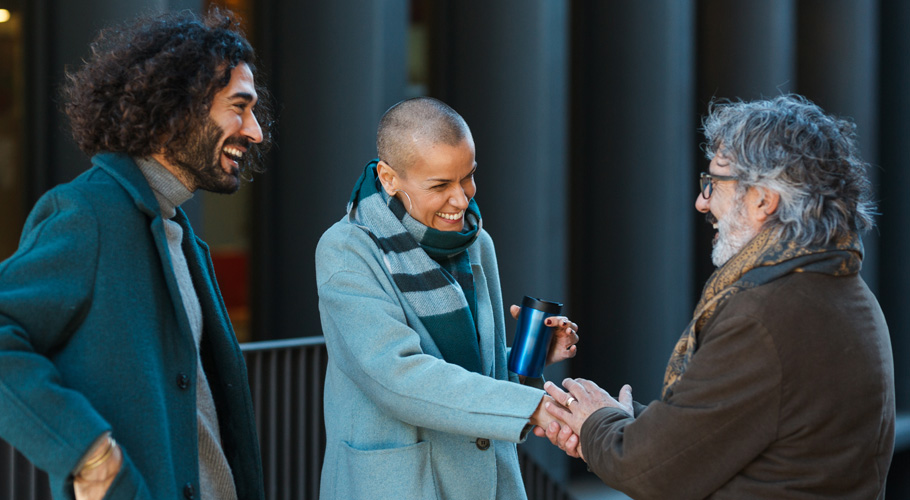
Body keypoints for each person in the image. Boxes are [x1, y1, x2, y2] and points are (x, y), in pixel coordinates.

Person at [539, 95, 895, 499]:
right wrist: (614, 427)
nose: (701, 201)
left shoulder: (765, 316)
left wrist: (598, 426)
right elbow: (728, 434)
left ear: (763, 199)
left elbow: (650, 470)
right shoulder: (841, 289)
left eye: (713, 183)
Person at [0, 8, 273, 500]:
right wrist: (91, 457)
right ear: (177, 108)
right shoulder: (88, 214)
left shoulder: (179, 234)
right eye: (239, 106)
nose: (255, 132)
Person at [315, 96, 579, 499]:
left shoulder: (476, 242)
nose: (461, 199)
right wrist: (528, 406)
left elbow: (473, 370)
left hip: (491, 483)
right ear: (388, 178)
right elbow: (396, 375)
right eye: (440, 185)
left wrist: (529, 357)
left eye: (468, 177)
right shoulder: (347, 250)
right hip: (399, 485)